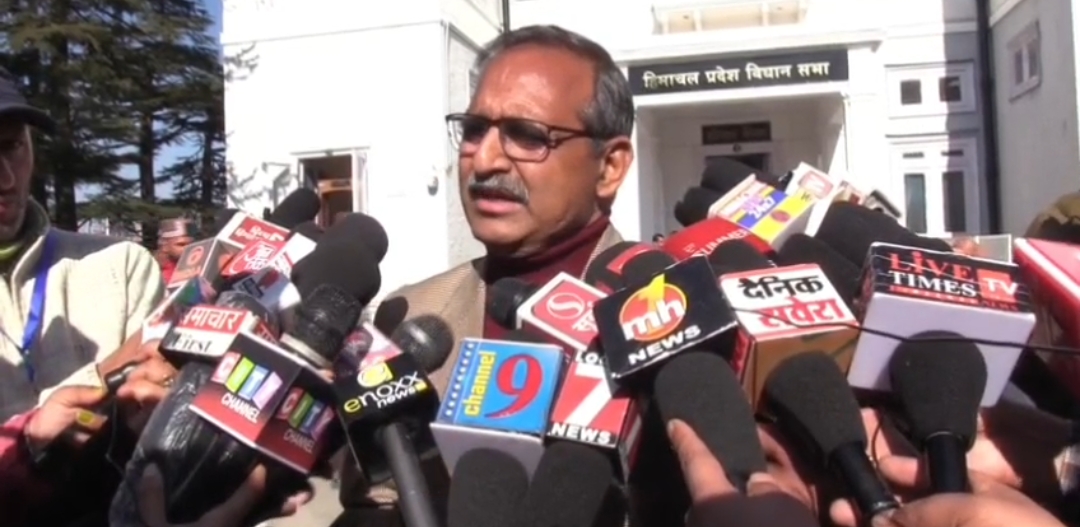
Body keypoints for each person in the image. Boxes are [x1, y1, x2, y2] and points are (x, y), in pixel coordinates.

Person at [333, 24, 635, 526]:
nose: (486, 160)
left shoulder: (669, 311)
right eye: (475, 130)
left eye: (527, 135)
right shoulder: (409, 316)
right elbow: (373, 503)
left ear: (610, 166)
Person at [155, 217, 195, 283]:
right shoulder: (155, 274)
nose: (188, 248)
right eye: (181, 244)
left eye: (191, 244)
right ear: (165, 246)